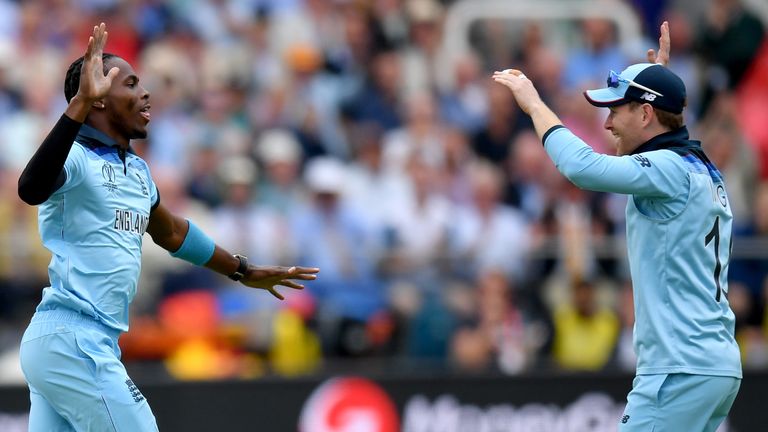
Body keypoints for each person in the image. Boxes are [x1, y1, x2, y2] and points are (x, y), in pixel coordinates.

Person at [15, 23, 319, 431]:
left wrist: (242, 270)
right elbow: (30, 188)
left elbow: (172, 232)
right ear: (100, 100)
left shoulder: (137, 171)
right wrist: (79, 104)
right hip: (72, 339)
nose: (145, 93)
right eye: (131, 84)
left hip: (72, 344)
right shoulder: (76, 160)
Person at [493, 22, 741, 432]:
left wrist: (534, 105)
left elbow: (580, 167)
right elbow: (668, 129)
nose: (607, 124)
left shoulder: (668, 170)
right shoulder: (698, 168)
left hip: (678, 369)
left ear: (645, 114)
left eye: (615, 110)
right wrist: (659, 78)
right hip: (712, 364)